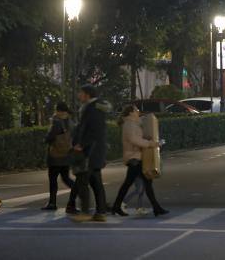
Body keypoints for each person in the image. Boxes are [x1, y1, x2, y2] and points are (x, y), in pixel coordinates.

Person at [111, 105, 167, 217]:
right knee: (143, 182)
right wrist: (151, 144)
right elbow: (134, 140)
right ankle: (156, 208)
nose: (138, 111)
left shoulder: (133, 123)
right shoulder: (129, 124)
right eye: (136, 110)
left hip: (136, 157)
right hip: (134, 157)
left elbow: (143, 125)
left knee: (135, 183)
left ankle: (117, 207)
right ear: (131, 112)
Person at [71, 84, 112, 222]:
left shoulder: (92, 108)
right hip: (95, 150)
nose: (79, 95)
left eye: (80, 93)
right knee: (95, 182)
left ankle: (85, 211)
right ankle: (100, 212)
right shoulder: (95, 107)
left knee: (83, 181)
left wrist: (81, 145)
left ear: (87, 94)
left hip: (90, 151)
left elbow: (93, 130)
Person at [42, 102, 78, 213]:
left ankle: (52, 203)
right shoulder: (71, 122)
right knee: (66, 178)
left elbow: (50, 137)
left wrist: (45, 139)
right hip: (66, 155)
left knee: (53, 180)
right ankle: (78, 190)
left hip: (55, 156)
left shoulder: (56, 121)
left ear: (59, 110)